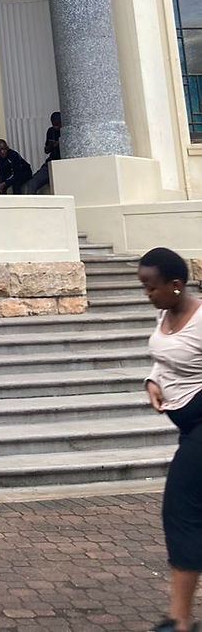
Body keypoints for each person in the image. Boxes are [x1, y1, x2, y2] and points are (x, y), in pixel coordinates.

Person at [138, 246, 202, 632]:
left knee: (180, 510)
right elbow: (163, 358)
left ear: (175, 285)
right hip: (189, 429)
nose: (147, 295)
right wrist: (151, 379)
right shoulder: (166, 312)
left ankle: (179, 621)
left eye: (151, 287)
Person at [26, 111, 61, 194]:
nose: (55, 127)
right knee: (32, 183)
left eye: (57, 124)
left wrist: (60, 143)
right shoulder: (50, 131)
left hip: (63, 163)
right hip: (51, 162)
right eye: (54, 124)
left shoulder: (67, 131)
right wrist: (51, 145)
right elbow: (46, 150)